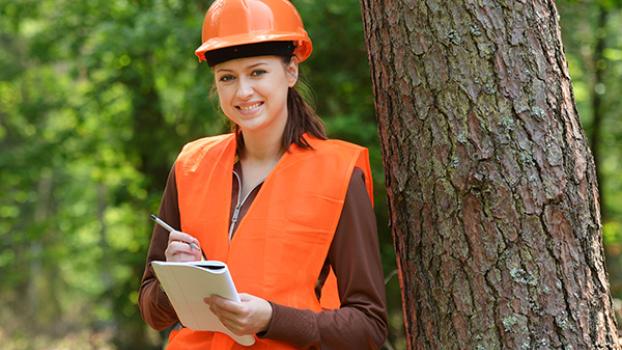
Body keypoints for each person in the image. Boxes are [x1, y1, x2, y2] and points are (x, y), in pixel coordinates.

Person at [138, 0, 387, 349]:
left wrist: (272, 318)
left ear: (290, 72)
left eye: (257, 72)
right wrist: (174, 281)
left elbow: (368, 326)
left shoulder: (338, 174)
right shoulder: (191, 165)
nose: (243, 92)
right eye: (228, 77)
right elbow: (152, 309)